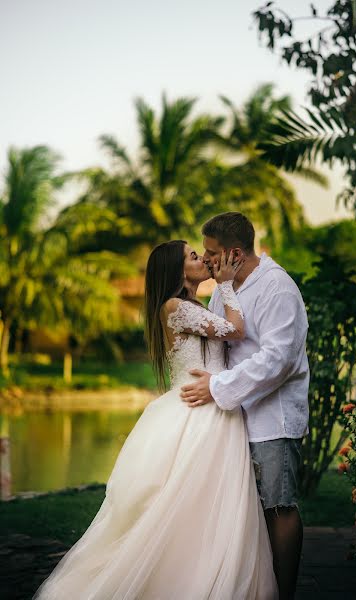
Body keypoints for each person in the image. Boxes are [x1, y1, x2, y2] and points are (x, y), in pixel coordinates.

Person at [33, 239, 278, 600]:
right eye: (194, 257)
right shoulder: (176, 306)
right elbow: (236, 330)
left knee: (208, 507)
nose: (202, 260)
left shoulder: (192, 304)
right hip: (198, 414)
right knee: (183, 504)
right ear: (177, 270)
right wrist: (226, 283)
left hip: (213, 410)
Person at [180, 212, 310, 600]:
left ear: (234, 252)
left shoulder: (278, 288)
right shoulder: (223, 288)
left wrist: (218, 386)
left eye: (211, 252)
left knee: (279, 506)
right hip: (232, 418)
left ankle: (283, 593)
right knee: (244, 513)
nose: (206, 259)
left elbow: (278, 359)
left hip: (273, 418)